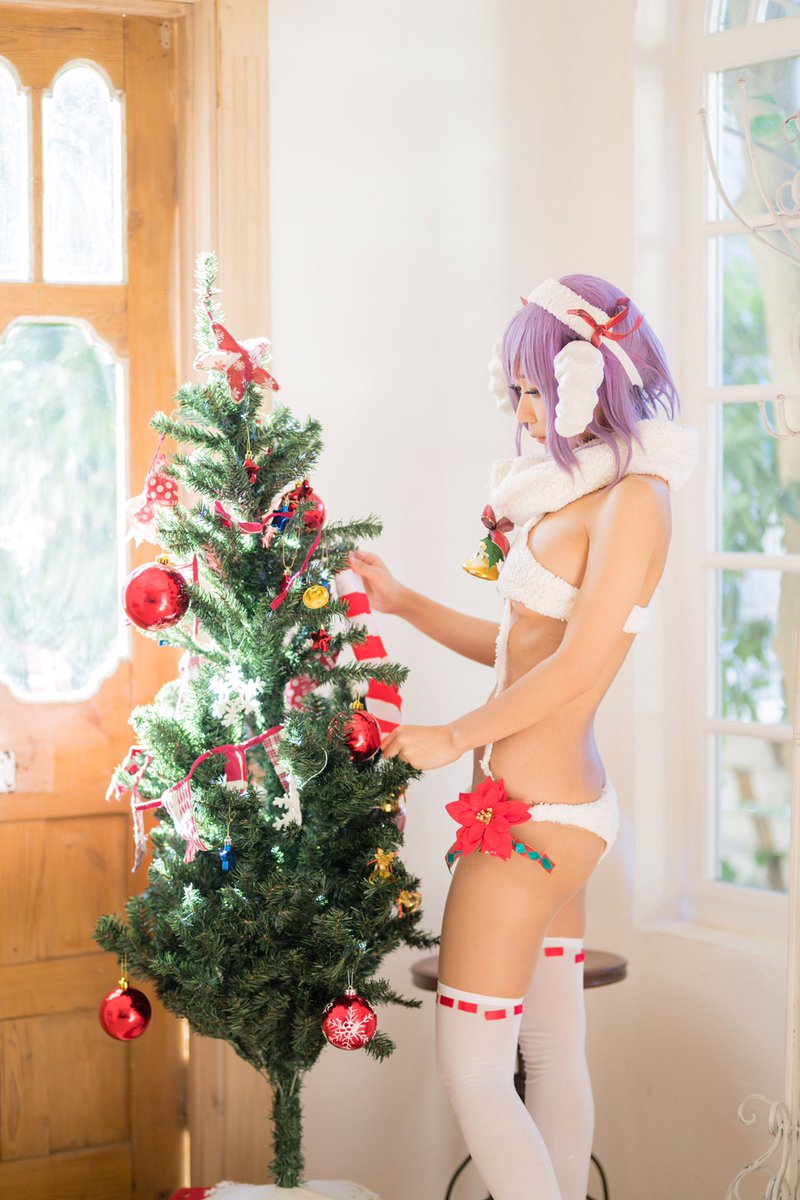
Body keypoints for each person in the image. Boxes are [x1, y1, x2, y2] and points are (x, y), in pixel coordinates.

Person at [347, 274, 700, 1200]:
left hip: (530, 820)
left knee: (471, 1072)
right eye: (515, 390)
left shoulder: (637, 500)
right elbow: (521, 652)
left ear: (593, 377)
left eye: (536, 388)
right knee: (548, 1049)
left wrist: (452, 735)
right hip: (550, 812)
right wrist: (404, 602)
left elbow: (578, 668)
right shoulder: (582, 493)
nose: (523, 410)